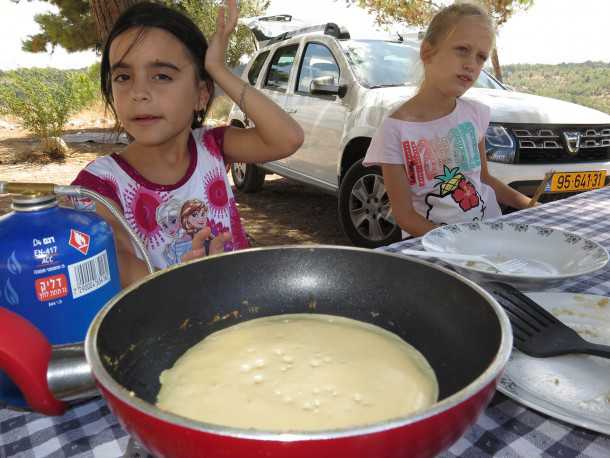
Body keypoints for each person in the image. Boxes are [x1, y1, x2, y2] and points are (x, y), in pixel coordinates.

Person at [71, 0, 304, 287]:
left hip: (243, 312)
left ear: (202, 94)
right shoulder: (99, 186)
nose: (139, 92)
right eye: (123, 77)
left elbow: (288, 138)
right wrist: (186, 283)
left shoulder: (213, 146)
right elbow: (117, 263)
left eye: (162, 75)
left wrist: (218, 70)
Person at [363, 2, 533, 239]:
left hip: (488, 237)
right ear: (427, 52)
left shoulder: (475, 114)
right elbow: (405, 216)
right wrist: (457, 243)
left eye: (481, 57)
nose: (471, 65)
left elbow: (484, 179)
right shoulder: (394, 130)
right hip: (435, 251)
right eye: (462, 49)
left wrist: (532, 206)